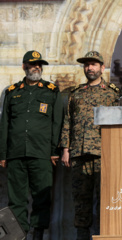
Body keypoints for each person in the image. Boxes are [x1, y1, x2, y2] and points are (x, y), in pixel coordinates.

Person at [0, 50, 63, 240]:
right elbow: (5, 124)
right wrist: (3, 154)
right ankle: (19, 235)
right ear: (24, 66)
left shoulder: (51, 91)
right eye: (32, 64)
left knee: (42, 198)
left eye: (39, 65)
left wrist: (54, 151)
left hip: (42, 153)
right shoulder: (12, 92)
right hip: (16, 153)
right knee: (16, 200)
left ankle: (38, 234)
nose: (36, 67)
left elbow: (57, 123)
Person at [60, 51, 120, 240]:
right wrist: (65, 149)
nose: (90, 68)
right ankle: (82, 236)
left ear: (102, 68)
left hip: (102, 154)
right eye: (87, 65)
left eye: (94, 65)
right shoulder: (76, 94)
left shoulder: (112, 94)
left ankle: (103, 235)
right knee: (80, 199)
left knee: (104, 199)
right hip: (78, 153)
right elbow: (68, 121)